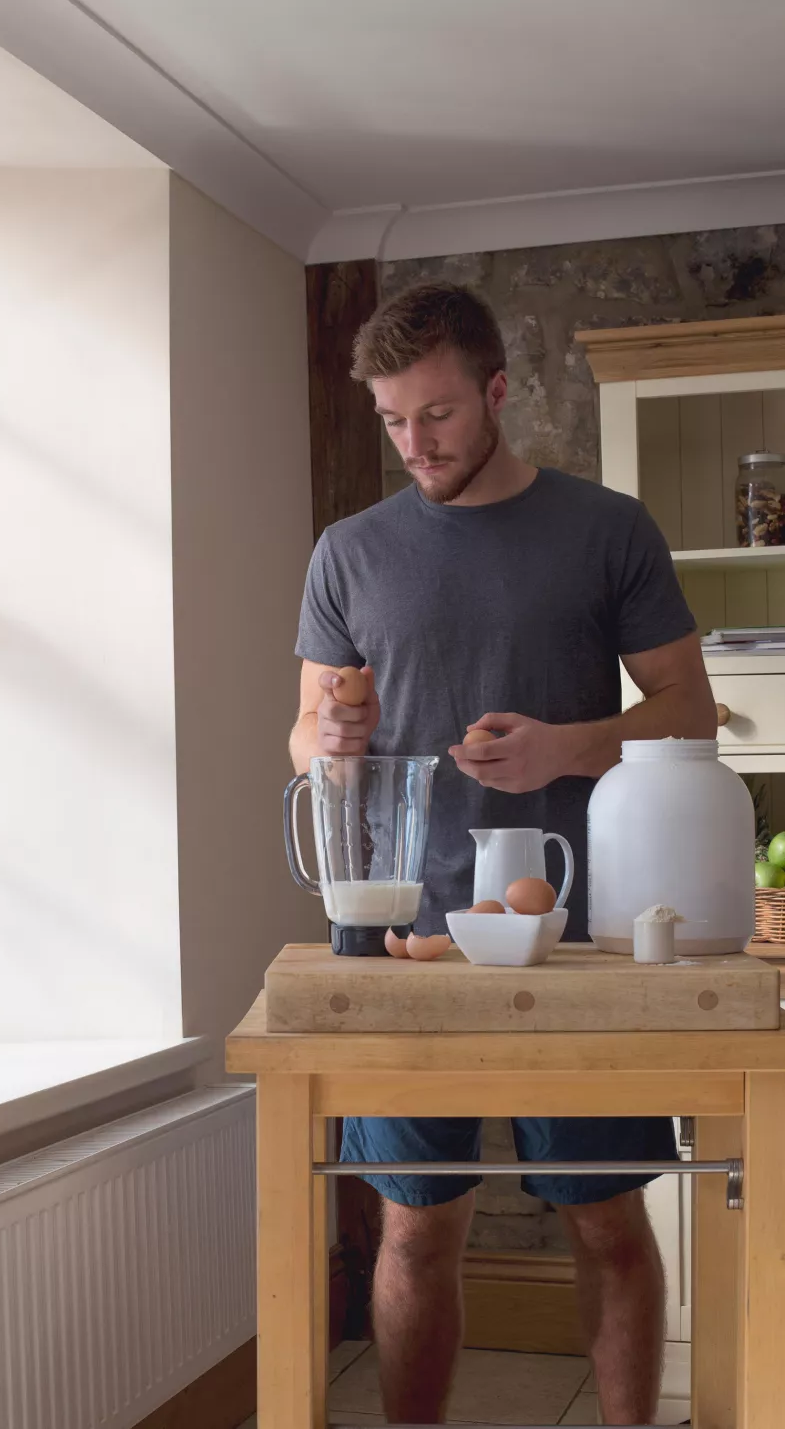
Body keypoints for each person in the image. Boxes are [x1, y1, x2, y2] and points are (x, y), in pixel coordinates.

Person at [290, 282, 717, 1426]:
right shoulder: (347, 551)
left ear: (493, 390)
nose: (411, 443)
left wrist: (567, 744)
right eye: (389, 419)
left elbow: (687, 705)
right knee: (414, 1222)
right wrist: (325, 737)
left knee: (603, 1216)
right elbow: (307, 733)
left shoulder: (605, 526)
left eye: (433, 414)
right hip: (394, 931)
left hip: (572, 936)